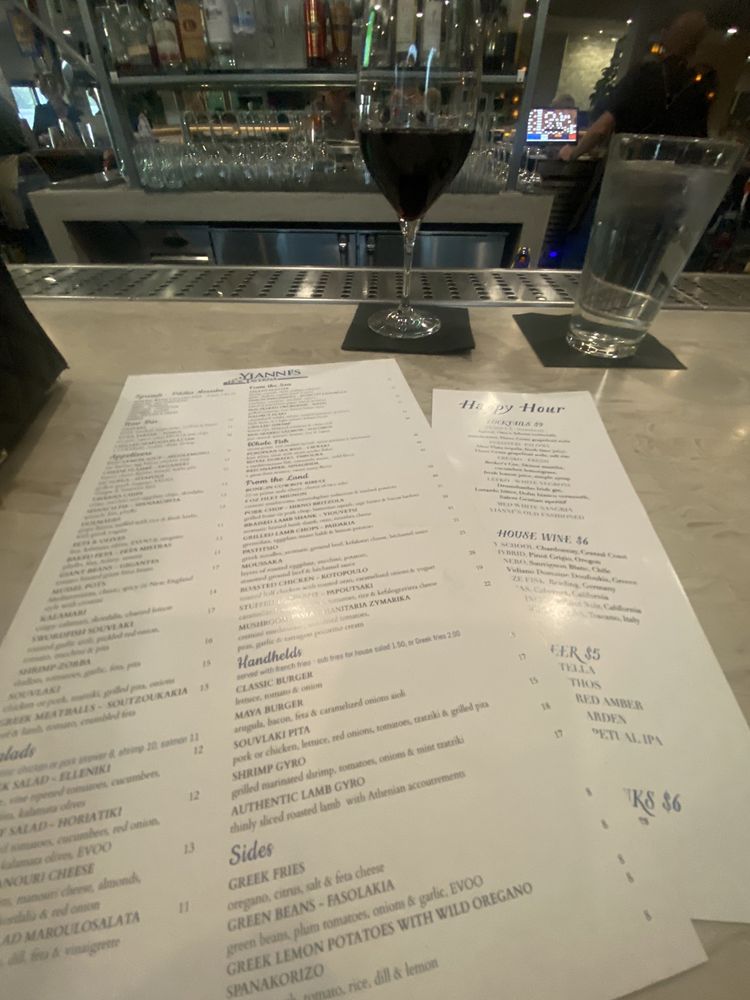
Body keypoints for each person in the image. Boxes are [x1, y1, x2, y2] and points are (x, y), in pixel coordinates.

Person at [559, 11, 715, 163]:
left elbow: (602, 128)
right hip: (674, 175)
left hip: (629, 170)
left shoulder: (644, 74)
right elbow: (698, 141)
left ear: (666, 35)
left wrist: (573, 153)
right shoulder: (701, 86)